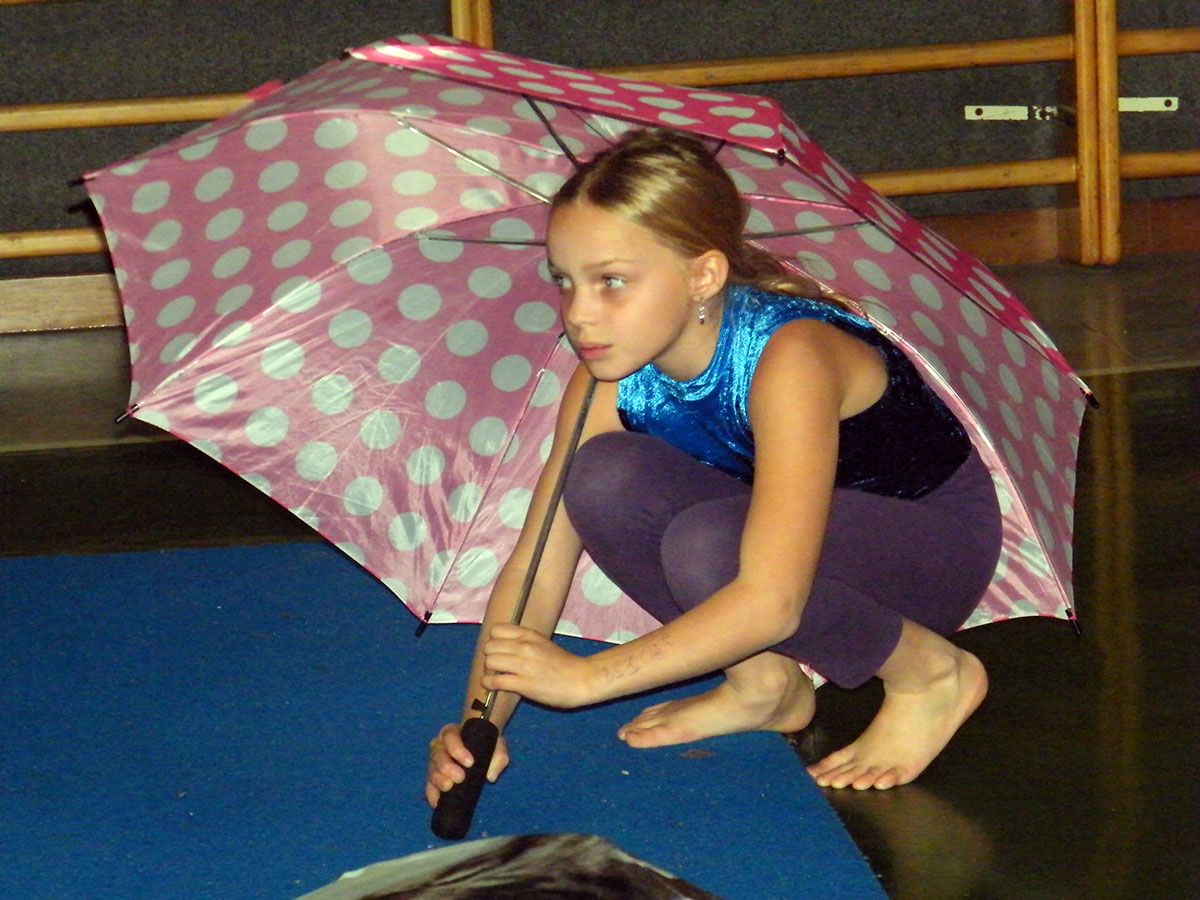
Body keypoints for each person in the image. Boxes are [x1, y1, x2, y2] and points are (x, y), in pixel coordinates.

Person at [426, 129, 1001, 803]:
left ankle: (929, 674)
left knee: (710, 546)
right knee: (603, 477)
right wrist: (479, 723)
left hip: (925, 547)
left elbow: (772, 598)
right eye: (565, 280)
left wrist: (589, 679)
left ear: (703, 275)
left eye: (612, 282)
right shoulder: (606, 380)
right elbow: (537, 567)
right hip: (771, 541)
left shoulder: (791, 357)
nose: (579, 314)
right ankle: (765, 685)